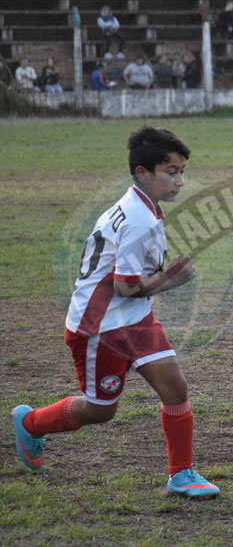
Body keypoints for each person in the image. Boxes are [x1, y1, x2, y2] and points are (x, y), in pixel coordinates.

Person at [11, 125, 220, 500]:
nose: (181, 181)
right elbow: (125, 285)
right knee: (101, 410)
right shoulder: (138, 218)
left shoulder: (141, 205)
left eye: (182, 171)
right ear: (142, 172)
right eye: (171, 172)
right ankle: (31, 422)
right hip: (99, 329)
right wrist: (171, 279)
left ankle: (181, 474)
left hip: (134, 319)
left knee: (175, 388)